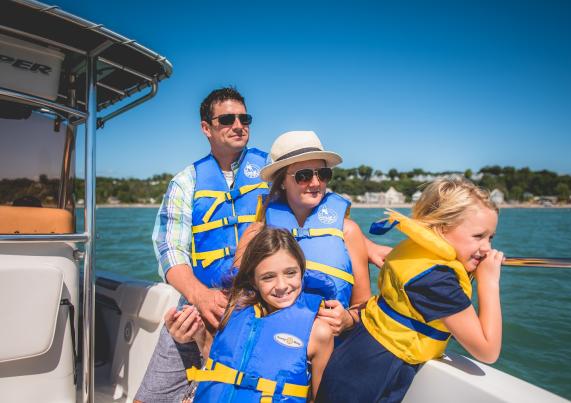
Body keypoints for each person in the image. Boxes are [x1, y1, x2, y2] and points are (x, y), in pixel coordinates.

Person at [136, 88, 389, 402]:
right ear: (206, 128)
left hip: (281, 317)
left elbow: (317, 215)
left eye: (245, 118)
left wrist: (366, 246)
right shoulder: (186, 181)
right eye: (227, 119)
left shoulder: (271, 170)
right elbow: (169, 248)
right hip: (208, 301)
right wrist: (199, 297)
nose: (238, 124)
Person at [316, 177, 504, 402]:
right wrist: (489, 281)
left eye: (490, 238)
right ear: (442, 228)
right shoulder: (436, 280)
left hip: (358, 354)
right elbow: (487, 350)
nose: (487, 248)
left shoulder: (420, 255)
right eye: (478, 236)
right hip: (371, 373)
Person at [235, 130, 372, 336]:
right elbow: (237, 299)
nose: (316, 183)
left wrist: (347, 319)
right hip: (273, 344)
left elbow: (363, 305)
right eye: (304, 176)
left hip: (332, 348)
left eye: (323, 174)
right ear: (282, 181)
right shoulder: (256, 234)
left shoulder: (349, 231)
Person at [186, 226, 334, 402]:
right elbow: (221, 363)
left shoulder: (318, 332)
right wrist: (199, 336)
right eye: (268, 277)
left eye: (290, 273)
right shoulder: (234, 308)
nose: (281, 285)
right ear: (253, 281)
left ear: (302, 272)